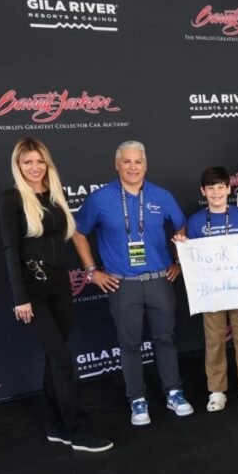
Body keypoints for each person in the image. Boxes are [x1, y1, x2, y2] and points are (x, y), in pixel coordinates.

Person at [0, 138, 113, 453]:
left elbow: (70, 237)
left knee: (55, 359)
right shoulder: (11, 200)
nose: (34, 168)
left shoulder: (54, 197)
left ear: (47, 164)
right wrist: (19, 297)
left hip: (60, 285)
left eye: (39, 162)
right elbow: (11, 251)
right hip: (31, 289)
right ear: (18, 166)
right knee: (63, 359)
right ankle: (78, 431)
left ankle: (55, 425)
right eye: (27, 163)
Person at [72, 140, 193, 427]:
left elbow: (180, 225)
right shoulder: (100, 199)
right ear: (117, 165)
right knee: (129, 344)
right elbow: (78, 233)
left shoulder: (161, 196)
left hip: (159, 281)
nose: (132, 167)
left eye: (138, 161)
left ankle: (173, 392)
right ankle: (137, 399)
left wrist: (178, 260)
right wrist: (91, 271)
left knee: (165, 339)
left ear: (145, 165)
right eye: (126, 161)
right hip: (122, 284)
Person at [176, 167, 238, 412]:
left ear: (229, 189)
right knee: (215, 340)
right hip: (212, 293)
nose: (216, 192)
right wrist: (183, 248)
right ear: (203, 191)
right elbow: (193, 258)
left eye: (221, 187)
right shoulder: (196, 221)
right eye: (211, 188)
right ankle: (217, 390)